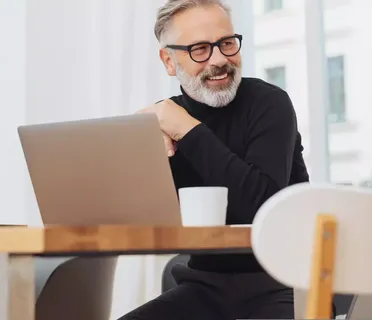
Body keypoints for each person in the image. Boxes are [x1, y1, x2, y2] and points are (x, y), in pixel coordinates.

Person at [120, 0, 310, 319]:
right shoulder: (162, 120)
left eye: (226, 43)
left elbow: (259, 206)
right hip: (203, 287)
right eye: (200, 49)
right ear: (168, 60)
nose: (220, 60)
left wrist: (188, 130)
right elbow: (146, 215)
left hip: (283, 284)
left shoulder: (269, 103)